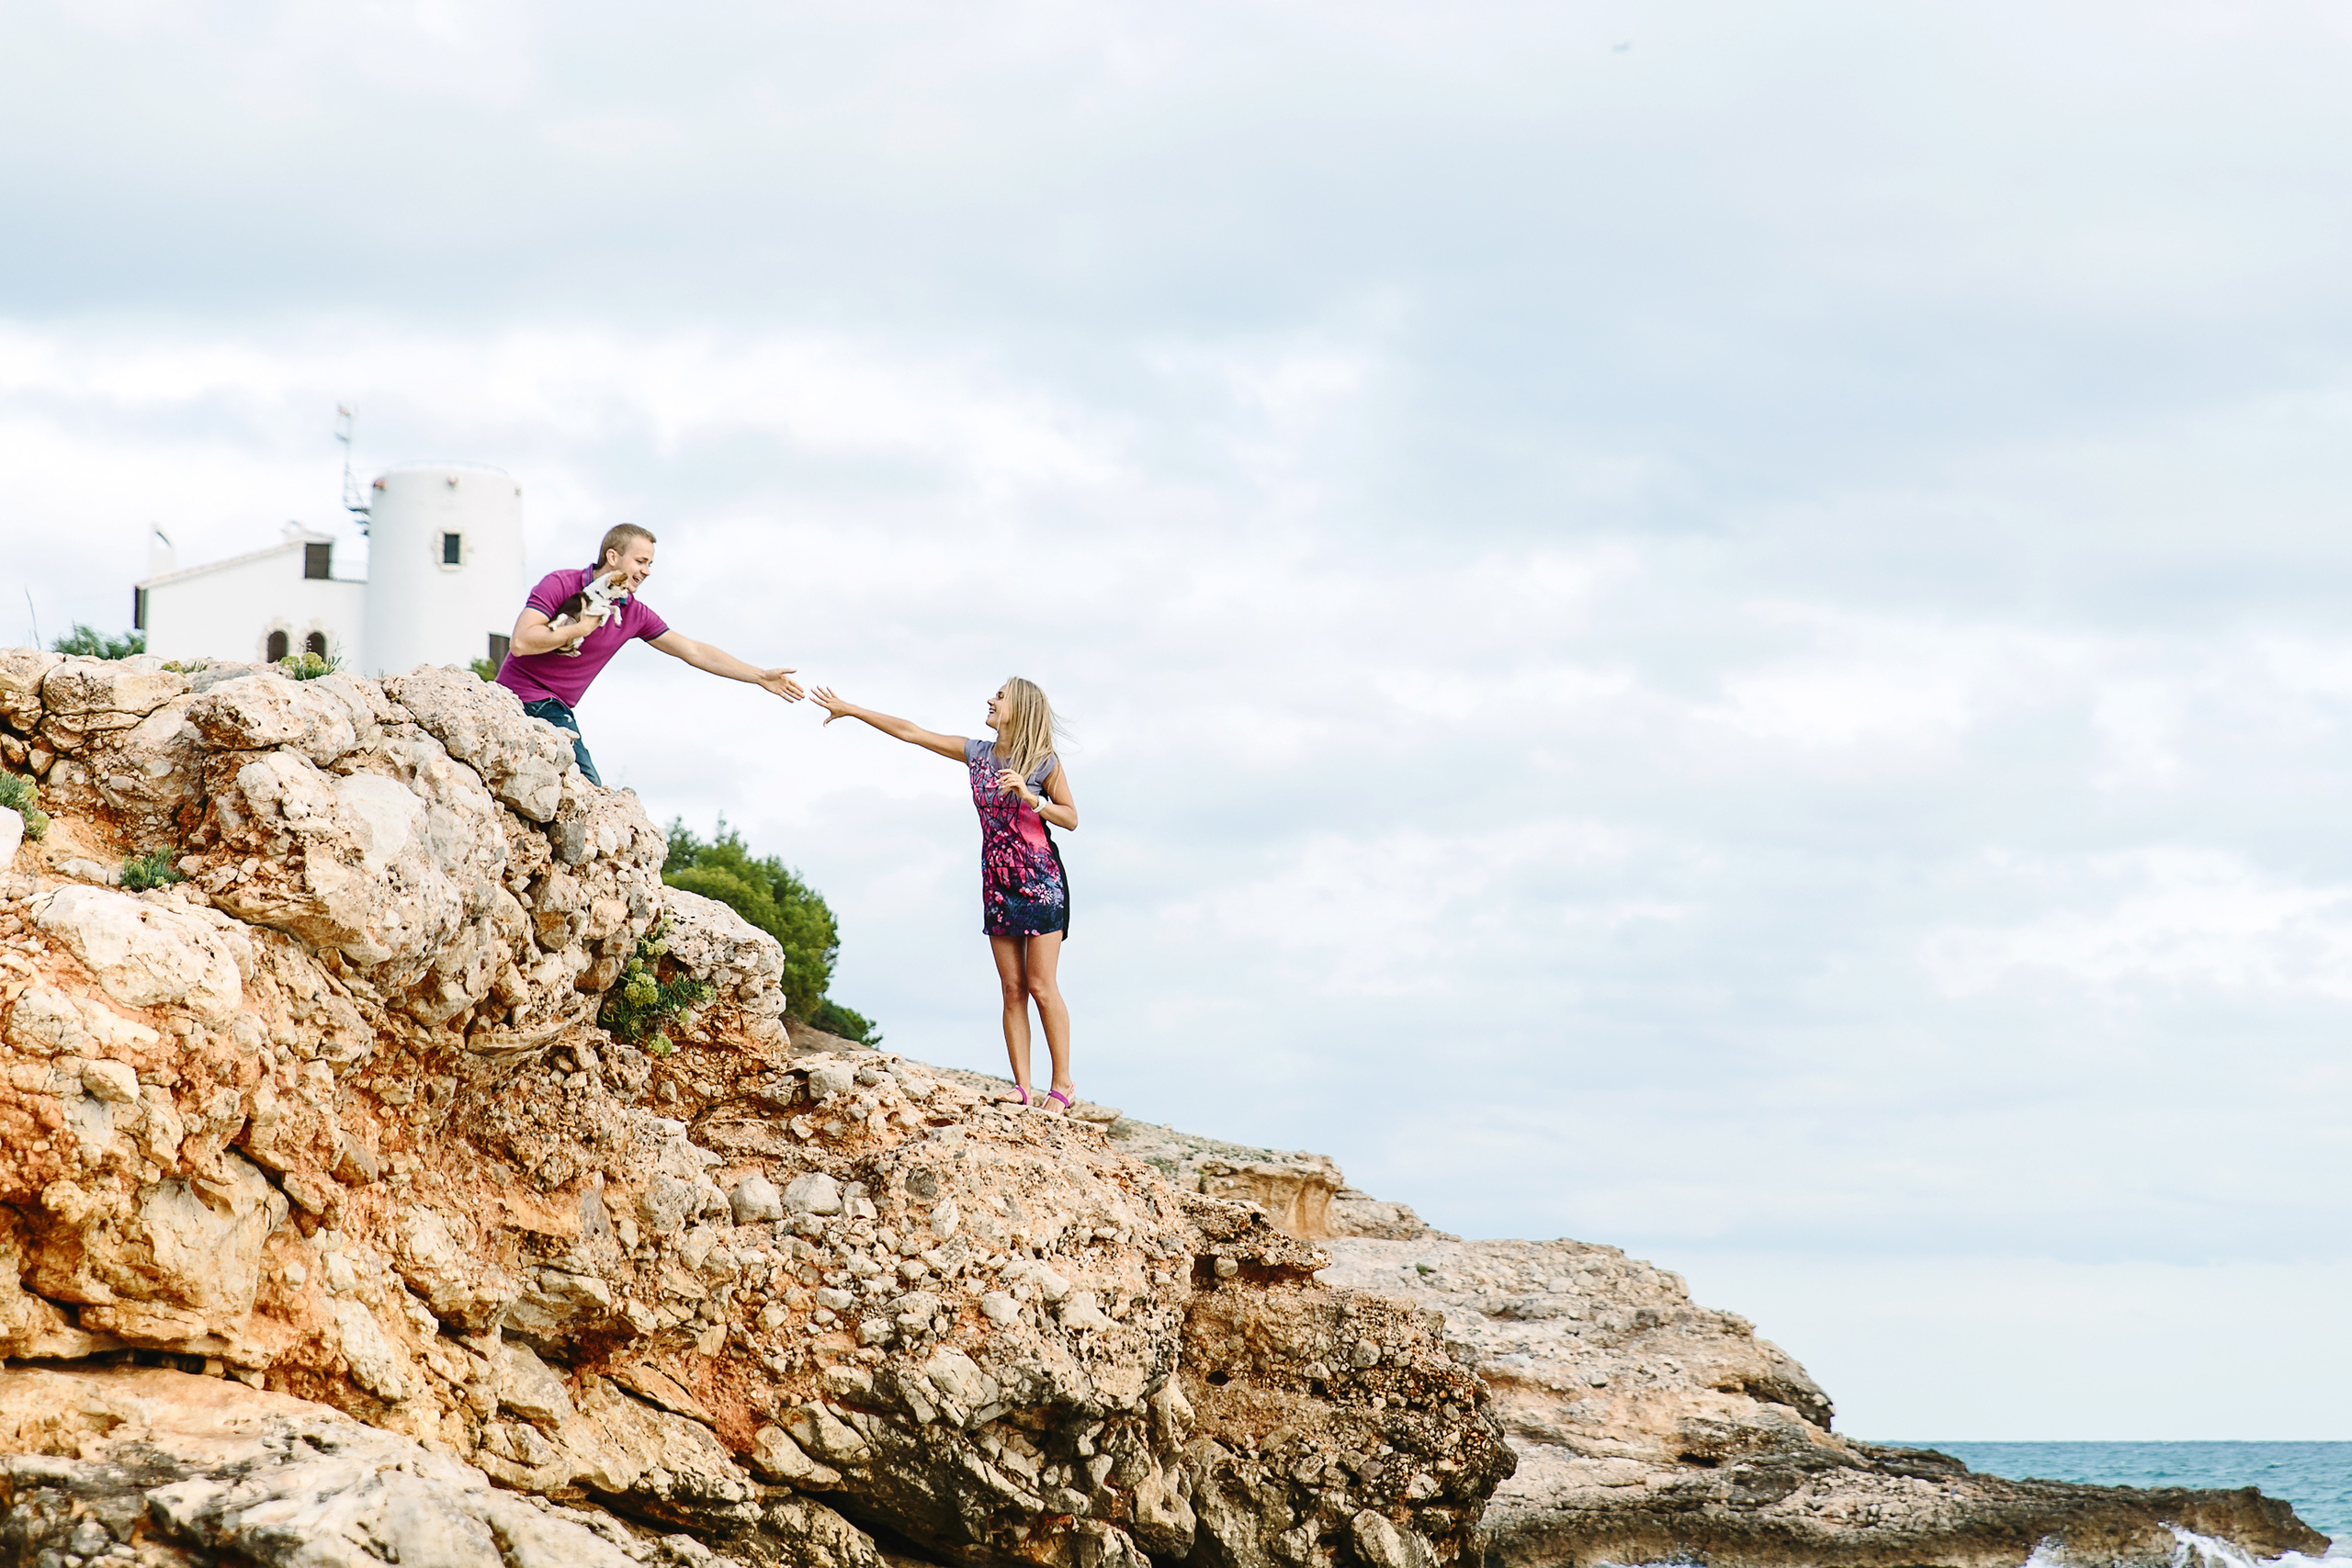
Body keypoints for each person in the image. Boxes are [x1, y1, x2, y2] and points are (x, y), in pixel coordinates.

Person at [809, 678, 1079, 1110]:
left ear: (1021, 708)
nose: (990, 700)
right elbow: (912, 732)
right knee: (1012, 988)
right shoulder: (977, 754)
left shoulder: (1044, 761)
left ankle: (1062, 1085)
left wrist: (1031, 797)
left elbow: (1071, 818)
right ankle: (1023, 1087)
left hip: (1041, 882)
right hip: (998, 882)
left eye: (1000, 696)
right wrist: (853, 709)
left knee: (1040, 985)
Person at [495, 524, 803, 784]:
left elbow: (694, 651)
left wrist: (760, 676)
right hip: (524, 698)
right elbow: (521, 642)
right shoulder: (561, 583)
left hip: (557, 707)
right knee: (589, 793)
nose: (646, 571)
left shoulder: (633, 613)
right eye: (641, 561)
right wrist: (580, 628)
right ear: (613, 557)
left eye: (650, 564)